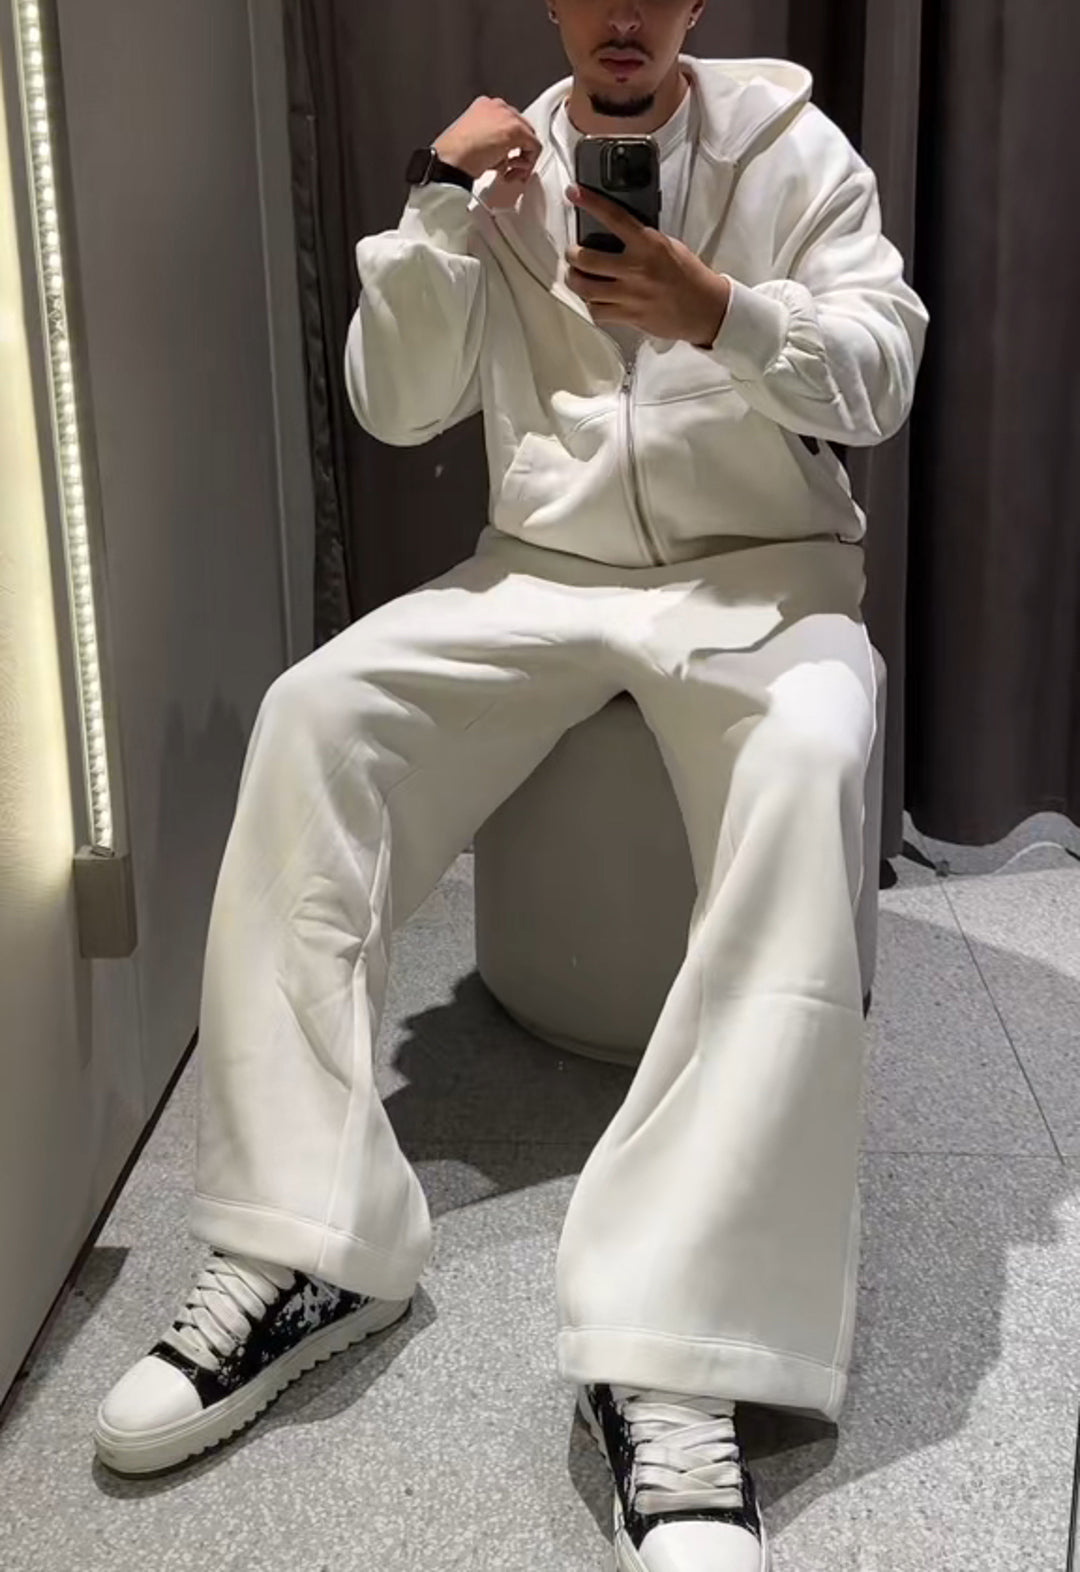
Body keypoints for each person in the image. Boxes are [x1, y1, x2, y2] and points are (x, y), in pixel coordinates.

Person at [94, 3, 927, 1568]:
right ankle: (307, 1242)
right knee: (316, 716)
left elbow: (879, 378)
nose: (621, 12)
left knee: (814, 750)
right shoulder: (500, 174)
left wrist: (721, 314)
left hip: (766, 580)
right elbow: (397, 402)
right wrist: (431, 206)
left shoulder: (792, 149)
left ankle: (672, 1346)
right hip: (539, 573)